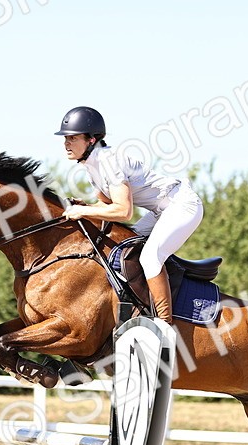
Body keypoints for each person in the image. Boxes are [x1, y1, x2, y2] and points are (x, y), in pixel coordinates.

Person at [55, 106, 203, 325]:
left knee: (150, 257)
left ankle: (164, 324)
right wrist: (84, 206)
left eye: (73, 138)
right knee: (122, 244)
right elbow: (105, 204)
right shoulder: (91, 165)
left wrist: (83, 211)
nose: (66, 143)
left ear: (91, 140)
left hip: (182, 205)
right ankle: (140, 306)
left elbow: (123, 211)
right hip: (160, 211)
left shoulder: (108, 161)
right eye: (66, 138)